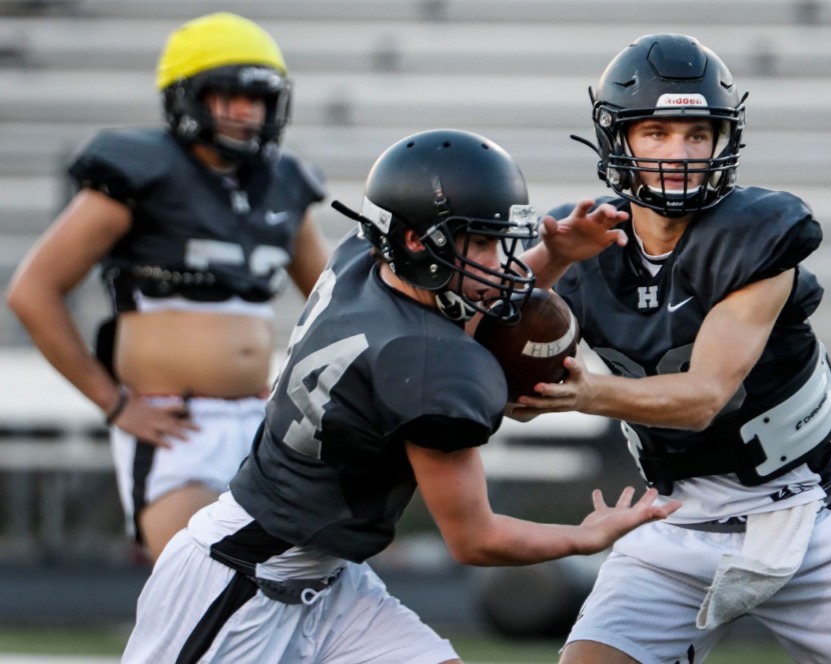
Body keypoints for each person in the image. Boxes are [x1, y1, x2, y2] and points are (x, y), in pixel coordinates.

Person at [118, 128, 679, 663]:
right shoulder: (428, 365)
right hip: (243, 578)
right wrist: (585, 538)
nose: (500, 263)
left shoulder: (365, 259)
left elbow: (456, 297)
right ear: (417, 240)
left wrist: (556, 256)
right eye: (481, 242)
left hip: (330, 577)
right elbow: (475, 539)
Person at [517, 34, 831, 664]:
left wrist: (584, 393)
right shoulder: (581, 239)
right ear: (620, 140)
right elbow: (488, 355)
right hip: (669, 517)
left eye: (697, 133)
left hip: (793, 513)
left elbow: (703, 398)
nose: (679, 153)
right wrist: (550, 259)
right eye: (656, 132)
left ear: (724, 140)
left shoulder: (758, 233)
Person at [5, 12, 330, 562]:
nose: (247, 111)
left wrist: (294, 390)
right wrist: (112, 402)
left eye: (258, 98)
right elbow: (32, 292)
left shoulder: (284, 185)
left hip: (261, 425)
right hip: (173, 426)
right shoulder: (138, 174)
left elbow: (332, 300)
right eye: (229, 95)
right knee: (201, 581)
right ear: (187, 98)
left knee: (282, 599)